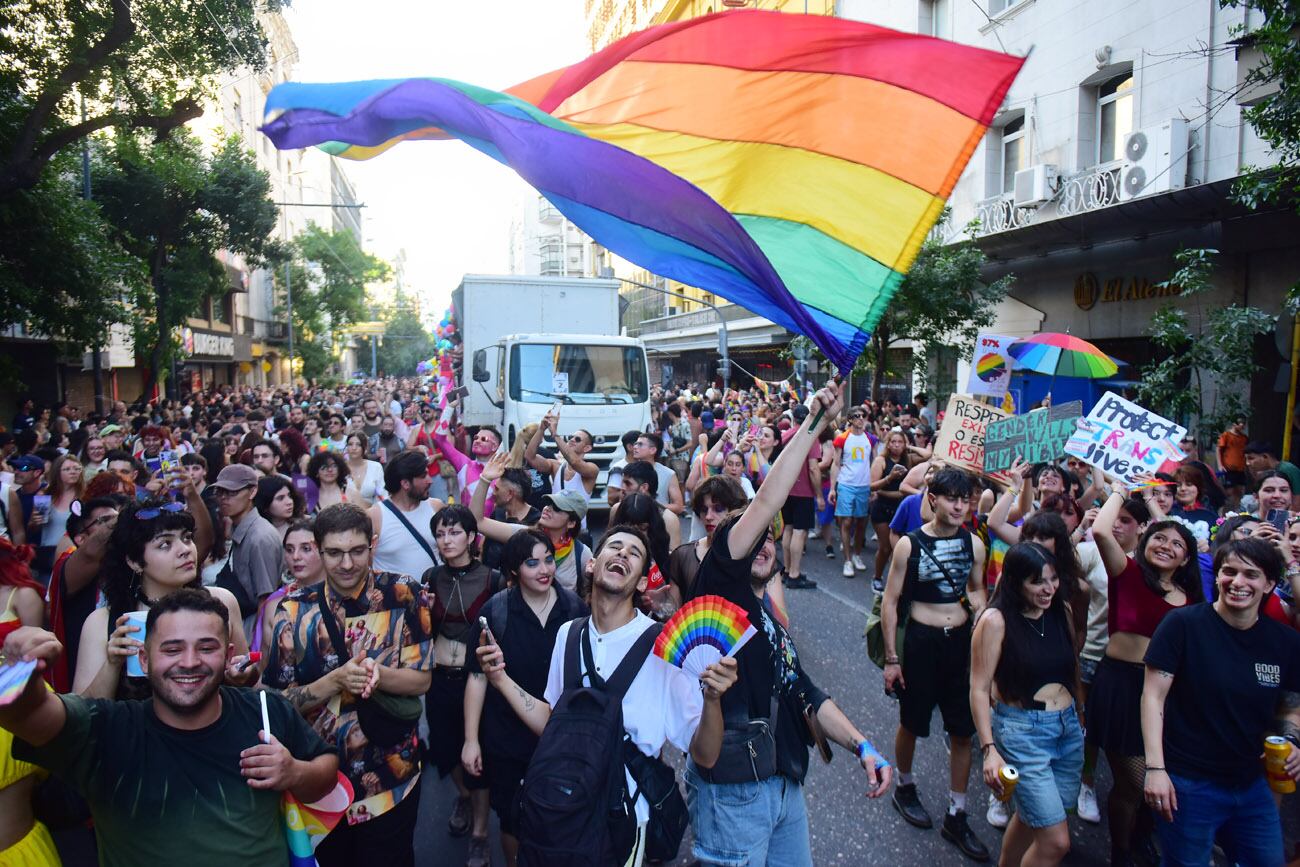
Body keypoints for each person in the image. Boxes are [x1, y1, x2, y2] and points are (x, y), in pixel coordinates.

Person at [685, 381, 894, 866]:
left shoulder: (771, 621)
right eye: (754, 538)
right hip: (734, 792)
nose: (762, 545)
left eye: (770, 541)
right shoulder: (720, 581)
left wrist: (863, 747)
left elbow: (805, 692)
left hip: (785, 786)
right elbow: (764, 504)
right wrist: (814, 421)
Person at [1, 589, 339, 865]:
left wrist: (293, 772)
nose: (189, 662)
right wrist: (19, 671)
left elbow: (326, 771)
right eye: (172, 649)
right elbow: (27, 715)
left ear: (228, 654)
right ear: (145, 660)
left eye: (206, 648)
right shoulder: (108, 730)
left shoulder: (266, 711)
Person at [476, 525, 736, 867]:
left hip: (623, 827)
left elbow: (704, 755)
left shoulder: (664, 648)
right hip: (562, 816)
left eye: (634, 553)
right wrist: (500, 680)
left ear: (642, 582)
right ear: (592, 564)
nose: (623, 554)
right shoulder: (567, 634)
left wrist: (713, 700)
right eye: (615, 547)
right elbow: (553, 723)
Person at [264, 504, 434, 865]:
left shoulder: (404, 594)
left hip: (391, 777)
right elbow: (275, 701)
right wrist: (333, 682)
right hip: (321, 786)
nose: (346, 564)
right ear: (319, 550)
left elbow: (422, 679)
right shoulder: (292, 611)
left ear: (372, 545)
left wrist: (378, 674)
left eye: (357, 551)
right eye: (335, 553)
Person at [1141, 538, 1300, 865]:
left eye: (1251, 575)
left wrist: (1292, 740)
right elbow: (1153, 697)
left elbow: (1291, 703)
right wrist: (1156, 769)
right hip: (1188, 784)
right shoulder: (1183, 625)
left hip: (1252, 783)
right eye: (1229, 571)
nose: (1238, 582)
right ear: (1216, 576)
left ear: (1269, 583)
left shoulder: (1285, 641)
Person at [1086, 484, 1201, 866]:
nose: (1166, 545)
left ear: (1187, 559)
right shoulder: (1127, 572)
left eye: (1176, 544)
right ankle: (1120, 850)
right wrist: (1120, 488)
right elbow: (1102, 532)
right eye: (1159, 538)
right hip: (1121, 687)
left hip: (1170, 696)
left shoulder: (1192, 600)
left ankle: (1141, 835)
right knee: (1135, 781)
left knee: (1161, 777)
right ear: (1145, 541)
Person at [881, 467, 991, 861]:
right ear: (934, 499)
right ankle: (905, 786)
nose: (960, 506)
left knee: (963, 732)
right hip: (921, 645)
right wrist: (892, 659)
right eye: (952, 498)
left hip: (960, 647)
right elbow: (891, 601)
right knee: (912, 723)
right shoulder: (909, 545)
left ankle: (957, 813)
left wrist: (979, 604)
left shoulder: (974, 544)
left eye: (965, 499)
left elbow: (977, 587)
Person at [462, 528, 587, 867]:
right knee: (513, 820)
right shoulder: (496, 613)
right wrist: (471, 740)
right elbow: (477, 676)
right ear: (515, 570)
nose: (544, 569)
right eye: (532, 563)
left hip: (560, 741)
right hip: (507, 740)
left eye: (549, 560)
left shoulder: (574, 609)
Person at [971, 542, 1084, 867]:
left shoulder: (1060, 610)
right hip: (1022, 733)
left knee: (1030, 817)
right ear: (1016, 582)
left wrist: (1079, 713)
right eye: (1037, 582)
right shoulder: (995, 621)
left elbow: (1072, 666)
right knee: (1056, 842)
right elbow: (978, 688)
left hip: (1067, 731)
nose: (1048, 589)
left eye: (1053, 579)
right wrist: (989, 749)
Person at [73, 495, 250, 699]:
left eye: (187, 537)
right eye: (165, 544)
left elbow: (246, 685)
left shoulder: (222, 602)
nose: (185, 550)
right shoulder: (105, 623)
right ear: (134, 562)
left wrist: (245, 674)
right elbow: (83, 714)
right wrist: (112, 665)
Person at [420, 504, 500, 864]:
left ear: (471, 537)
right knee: (445, 749)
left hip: (479, 682)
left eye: (454, 532)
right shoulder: (430, 576)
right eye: (440, 533)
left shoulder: (492, 579)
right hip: (438, 679)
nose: (446, 540)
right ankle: (464, 797)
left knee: (478, 754)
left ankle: (481, 831)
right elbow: (422, 629)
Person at [472, 454, 592, 593]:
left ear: (571, 523)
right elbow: (477, 521)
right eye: (548, 503)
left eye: (557, 508)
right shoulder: (524, 535)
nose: (547, 509)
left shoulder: (581, 553)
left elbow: (587, 594)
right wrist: (485, 479)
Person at [212, 463, 283, 632]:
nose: (223, 497)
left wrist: (257, 647)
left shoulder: (260, 537)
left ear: (252, 492)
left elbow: (266, 599)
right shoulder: (240, 527)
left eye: (232, 492)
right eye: (220, 492)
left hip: (252, 629)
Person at [367, 450, 443, 579]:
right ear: (405, 484)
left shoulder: (436, 507)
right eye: (424, 476)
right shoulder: (375, 516)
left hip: (435, 596)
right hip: (393, 598)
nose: (430, 481)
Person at [778, 405, 823, 591]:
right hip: (803, 491)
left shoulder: (785, 435)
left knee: (788, 529)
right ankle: (794, 574)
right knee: (800, 532)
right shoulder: (810, 437)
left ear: (794, 418)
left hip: (785, 489)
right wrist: (819, 495)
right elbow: (813, 468)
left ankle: (788, 570)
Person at [829, 407, 875, 578]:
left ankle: (857, 555)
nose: (861, 419)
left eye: (863, 416)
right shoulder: (842, 438)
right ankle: (847, 560)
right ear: (850, 419)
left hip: (864, 486)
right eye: (857, 416)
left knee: (862, 522)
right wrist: (833, 488)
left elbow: (875, 463)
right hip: (846, 484)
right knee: (847, 521)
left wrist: (874, 487)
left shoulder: (870, 438)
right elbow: (835, 464)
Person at [524, 411, 599, 500]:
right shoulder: (556, 466)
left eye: (577, 439)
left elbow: (574, 462)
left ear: (587, 448)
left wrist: (555, 434)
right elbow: (530, 457)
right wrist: (541, 429)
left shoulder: (592, 469)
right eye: (571, 437)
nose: (572, 440)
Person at [868, 429, 910, 588]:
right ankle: (877, 577)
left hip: (900, 509)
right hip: (882, 508)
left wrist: (910, 448)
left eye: (900, 442)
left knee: (900, 550)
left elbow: (927, 455)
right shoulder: (881, 460)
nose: (897, 445)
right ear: (888, 444)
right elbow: (871, 486)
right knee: (885, 547)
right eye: (893, 442)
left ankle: (896, 583)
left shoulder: (908, 459)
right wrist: (890, 478)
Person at [611, 461, 681, 549]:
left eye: (628, 483)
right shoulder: (616, 509)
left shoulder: (668, 519)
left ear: (644, 487)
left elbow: (673, 558)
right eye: (622, 483)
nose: (622, 488)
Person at [629, 432, 685, 515]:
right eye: (635, 444)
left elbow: (678, 507)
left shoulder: (668, 474)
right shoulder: (628, 471)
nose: (635, 447)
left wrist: (650, 506)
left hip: (659, 522)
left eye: (640, 444)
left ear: (653, 450)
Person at [1244, 441, 1300, 510]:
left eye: (1251, 458)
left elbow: (1297, 502)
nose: (1247, 463)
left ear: (1265, 456)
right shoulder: (1264, 472)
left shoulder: (1288, 469)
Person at [254, 475, 306, 539]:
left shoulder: (304, 524)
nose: (289, 502)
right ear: (265, 504)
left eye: (289, 496)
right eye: (280, 498)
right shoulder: (257, 534)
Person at [343, 433, 385, 506]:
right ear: (346, 447)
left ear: (365, 448)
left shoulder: (376, 467)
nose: (354, 448)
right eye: (350, 444)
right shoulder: (340, 467)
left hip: (371, 512)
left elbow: (382, 494)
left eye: (358, 445)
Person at [1216, 419, 1249, 504]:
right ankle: (1226, 512)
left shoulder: (1244, 438)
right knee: (1229, 492)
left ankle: (1237, 511)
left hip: (1240, 469)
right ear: (1234, 424)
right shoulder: (1226, 435)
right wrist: (1220, 465)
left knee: (1240, 491)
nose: (1242, 425)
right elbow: (1219, 449)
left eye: (1243, 423)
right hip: (1228, 468)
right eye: (1240, 423)